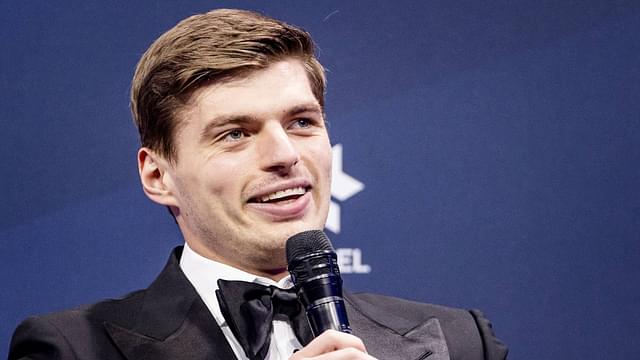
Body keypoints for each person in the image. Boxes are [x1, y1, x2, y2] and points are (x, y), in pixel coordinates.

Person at [9, 9, 508, 360]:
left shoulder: (461, 340)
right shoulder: (71, 347)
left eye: (302, 123)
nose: (285, 155)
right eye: (235, 134)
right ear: (158, 175)